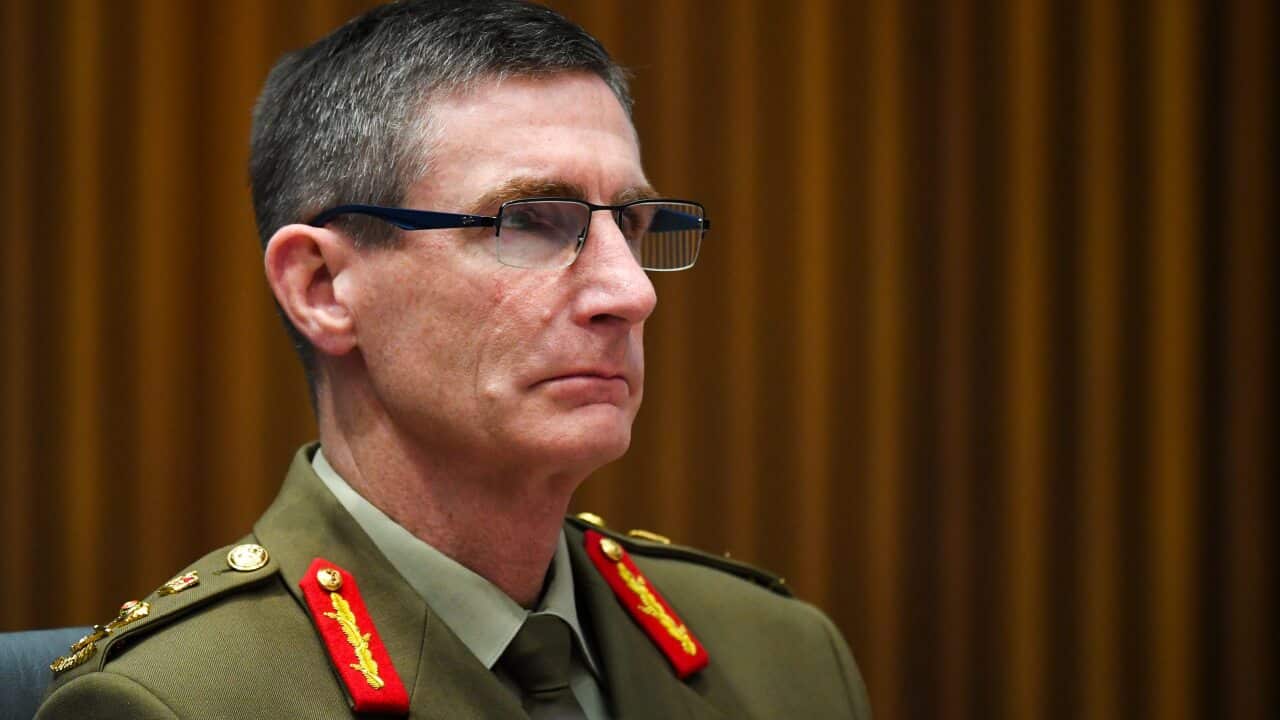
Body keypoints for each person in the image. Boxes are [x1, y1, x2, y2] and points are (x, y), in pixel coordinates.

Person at [36, 1, 871, 718]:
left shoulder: (783, 658)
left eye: (634, 224)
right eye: (531, 220)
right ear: (324, 287)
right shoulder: (180, 700)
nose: (630, 292)